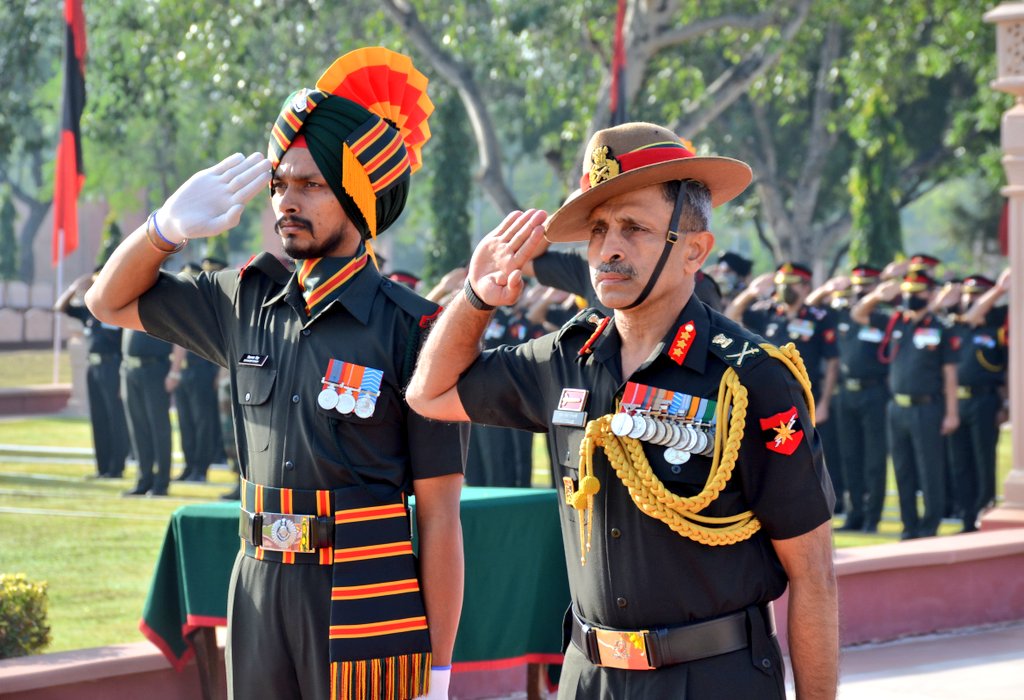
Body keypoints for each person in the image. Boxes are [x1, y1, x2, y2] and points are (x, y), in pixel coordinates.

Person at [408, 122, 838, 699]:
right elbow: (429, 394)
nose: (608, 248)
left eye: (634, 228)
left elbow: (813, 576)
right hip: (590, 678)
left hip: (710, 681)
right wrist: (478, 297)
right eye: (599, 229)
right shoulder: (566, 358)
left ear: (694, 250)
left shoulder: (751, 379)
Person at [87, 47, 465, 700]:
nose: (286, 200)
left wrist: (439, 669)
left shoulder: (417, 329)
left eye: (311, 185)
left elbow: (439, 516)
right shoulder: (243, 300)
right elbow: (108, 302)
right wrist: (164, 230)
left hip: (365, 591)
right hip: (259, 582)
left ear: (358, 196)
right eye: (280, 183)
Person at [727, 262, 842, 513]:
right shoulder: (767, 311)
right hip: (771, 397)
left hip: (808, 397)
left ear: (805, 287)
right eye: (781, 285)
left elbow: (833, 361)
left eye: (790, 285)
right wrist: (752, 292)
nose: (784, 290)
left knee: (815, 458)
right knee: (777, 455)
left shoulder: (819, 317)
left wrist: (823, 403)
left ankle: (822, 508)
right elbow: (731, 316)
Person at [852, 269, 960, 539]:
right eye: (909, 291)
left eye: (919, 291)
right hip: (897, 407)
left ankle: (929, 526)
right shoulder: (896, 322)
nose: (912, 296)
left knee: (929, 470)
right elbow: (858, 315)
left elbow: (949, 374)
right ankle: (909, 526)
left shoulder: (940, 327)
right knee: (902, 469)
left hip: (927, 407)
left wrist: (951, 413)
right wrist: (878, 295)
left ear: (931, 294)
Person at [815, 265, 890, 532]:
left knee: (874, 458)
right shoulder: (839, 314)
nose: (860, 290)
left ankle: (872, 517)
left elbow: (863, 313)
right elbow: (809, 307)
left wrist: (878, 296)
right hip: (846, 393)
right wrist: (828, 288)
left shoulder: (882, 318)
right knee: (850, 457)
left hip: (874, 393)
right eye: (857, 286)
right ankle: (855, 513)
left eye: (867, 285)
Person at [946, 272, 1009, 531]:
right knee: (960, 463)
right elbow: (969, 315)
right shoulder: (958, 323)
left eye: (977, 296)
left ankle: (984, 513)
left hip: (984, 401)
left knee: (984, 462)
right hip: (958, 403)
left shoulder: (997, 324)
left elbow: (1007, 371)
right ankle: (967, 518)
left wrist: (1006, 406)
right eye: (968, 296)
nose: (970, 301)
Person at [55, 269, 130, 479]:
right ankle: (102, 467)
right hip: (94, 367)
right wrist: (74, 287)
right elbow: (61, 308)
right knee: (98, 418)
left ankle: (116, 468)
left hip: (112, 366)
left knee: (115, 417)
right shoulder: (89, 310)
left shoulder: (116, 308)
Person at [168, 257, 227, 482]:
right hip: (184, 371)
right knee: (185, 422)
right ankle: (189, 465)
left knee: (203, 422)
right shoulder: (182, 308)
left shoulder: (210, 308)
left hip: (202, 368)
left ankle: (200, 469)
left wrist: (220, 372)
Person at [120, 328, 174, 496]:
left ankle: (161, 483)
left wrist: (175, 371)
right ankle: (144, 480)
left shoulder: (160, 302)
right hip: (130, 369)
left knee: (159, 429)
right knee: (137, 429)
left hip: (155, 367)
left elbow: (178, 340)